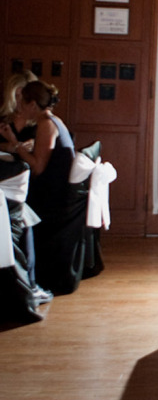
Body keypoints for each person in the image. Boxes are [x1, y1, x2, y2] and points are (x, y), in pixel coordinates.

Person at [0, 80, 73, 298]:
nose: (19, 107)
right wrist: (17, 144)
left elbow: (38, 167)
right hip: (56, 190)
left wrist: (18, 148)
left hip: (53, 197)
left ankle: (23, 279)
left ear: (33, 105)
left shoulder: (46, 124)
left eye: (22, 103)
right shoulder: (52, 120)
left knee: (15, 205)